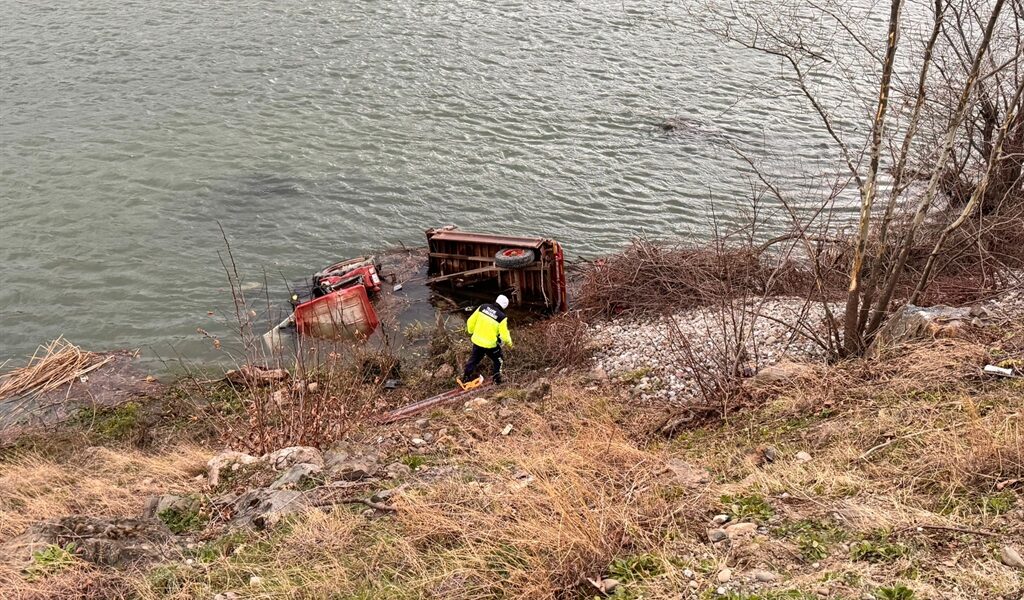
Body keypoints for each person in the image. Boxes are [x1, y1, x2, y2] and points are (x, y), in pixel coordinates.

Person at [459, 294, 513, 387]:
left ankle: (466, 377)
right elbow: (504, 336)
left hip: (477, 341)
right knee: (498, 361)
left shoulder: (482, 307)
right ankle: (497, 380)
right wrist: (510, 344)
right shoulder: (502, 317)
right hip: (490, 345)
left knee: (474, 359)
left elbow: (470, 322)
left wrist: (471, 331)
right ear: (505, 306)